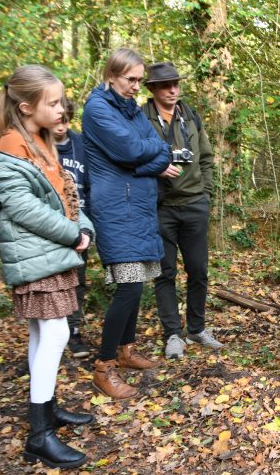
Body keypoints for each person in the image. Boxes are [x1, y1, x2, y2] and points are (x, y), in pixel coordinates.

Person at [0, 65, 94, 468]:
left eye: (61, 102)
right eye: (52, 103)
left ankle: (46, 411)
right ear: (25, 107)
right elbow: (24, 208)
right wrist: (73, 235)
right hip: (36, 257)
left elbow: (68, 195)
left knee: (43, 331)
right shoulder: (10, 152)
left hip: (51, 254)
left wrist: (84, 226)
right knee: (56, 331)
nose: (61, 109)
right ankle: (39, 436)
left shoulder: (42, 145)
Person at [82, 48, 180, 399]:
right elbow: (131, 151)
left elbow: (158, 147)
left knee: (137, 284)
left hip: (137, 205)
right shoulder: (97, 109)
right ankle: (104, 365)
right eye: (131, 79)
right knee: (129, 286)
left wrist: (141, 162)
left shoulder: (131, 109)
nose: (137, 86)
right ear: (112, 76)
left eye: (140, 80)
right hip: (115, 208)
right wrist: (145, 160)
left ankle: (125, 350)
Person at [141, 62, 221, 359]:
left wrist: (206, 196)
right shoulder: (141, 119)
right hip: (161, 207)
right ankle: (173, 334)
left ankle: (197, 329)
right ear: (152, 88)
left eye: (175, 84)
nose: (172, 90)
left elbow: (206, 158)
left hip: (194, 204)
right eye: (165, 85)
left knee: (198, 270)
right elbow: (133, 159)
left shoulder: (190, 116)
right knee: (165, 273)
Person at [52, 97, 92, 358]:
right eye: (57, 120)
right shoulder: (37, 145)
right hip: (51, 225)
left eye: (66, 120)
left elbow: (91, 182)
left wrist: (90, 223)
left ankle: (73, 331)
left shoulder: (80, 144)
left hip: (80, 224)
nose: (61, 126)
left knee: (77, 279)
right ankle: (51, 334)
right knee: (52, 282)